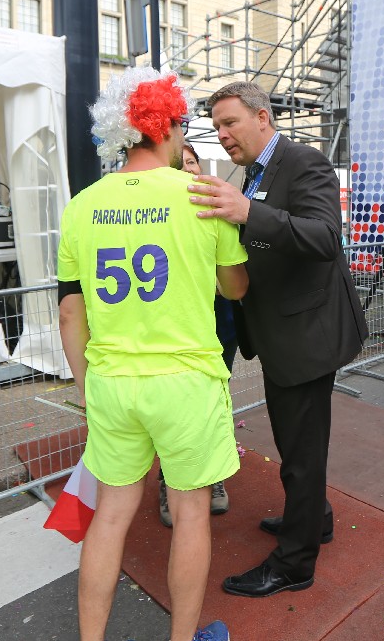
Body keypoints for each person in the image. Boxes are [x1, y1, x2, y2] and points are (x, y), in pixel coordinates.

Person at [56, 67, 246, 641]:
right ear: (167, 126)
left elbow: (70, 313)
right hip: (186, 381)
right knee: (190, 514)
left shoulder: (82, 205)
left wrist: (86, 387)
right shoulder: (201, 194)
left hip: (113, 381)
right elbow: (234, 288)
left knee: (111, 515)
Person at [186, 81, 368, 598]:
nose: (222, 135)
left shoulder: (304, 162)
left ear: (262, 117)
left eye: (230, 123)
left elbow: (325, 238)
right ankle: (314, 519)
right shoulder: (255, 171)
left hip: (307, 336)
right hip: (282, 333)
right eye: (216, 126)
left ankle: (294, 564)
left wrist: (247, 213)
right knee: (295, 444)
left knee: (301, 452)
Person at [155, 142, 239, 528]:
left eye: (193, 163)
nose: (188, 169)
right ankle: (168, 480)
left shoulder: (214, 206)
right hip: (176, 330)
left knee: (215, 401)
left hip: (219, 323)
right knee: (172, 410)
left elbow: (233, 282)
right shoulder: (158, 213)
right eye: (181, 163)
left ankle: (213, 475)